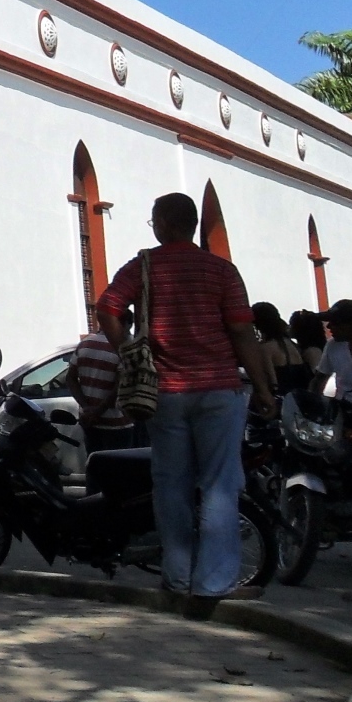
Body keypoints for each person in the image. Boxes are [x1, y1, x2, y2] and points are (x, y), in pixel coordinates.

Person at [97, 193, 275, 599]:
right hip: (218, 391)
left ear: (163, 223)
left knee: (171, 485)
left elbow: (107, 306)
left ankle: (176, 578)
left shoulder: (144, 265)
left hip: (165, 393)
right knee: (219, 486)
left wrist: (128, 350)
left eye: (153, 220)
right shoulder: (222, 271)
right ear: (193, 225)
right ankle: (213, 583)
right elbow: (242, 333)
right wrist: (263, 388)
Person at [64, 327, 137, 452]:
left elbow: (70, 378)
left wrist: (87, 408)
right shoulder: (122, 347)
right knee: (120, 465)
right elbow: (120, 386)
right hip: (117, 423)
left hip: (90, 422)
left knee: (95, 463)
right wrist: (97, 411)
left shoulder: (84, 344)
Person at [251, 302, 313, 397]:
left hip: (283, 399)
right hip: (300, 398)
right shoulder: (291, 344)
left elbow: (272, 380)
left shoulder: (266, 348)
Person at [309, 301, 352, 404]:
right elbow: (319, 380)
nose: (328, 326)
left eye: (335, 322)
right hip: (343, 409)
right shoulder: (332, 345)